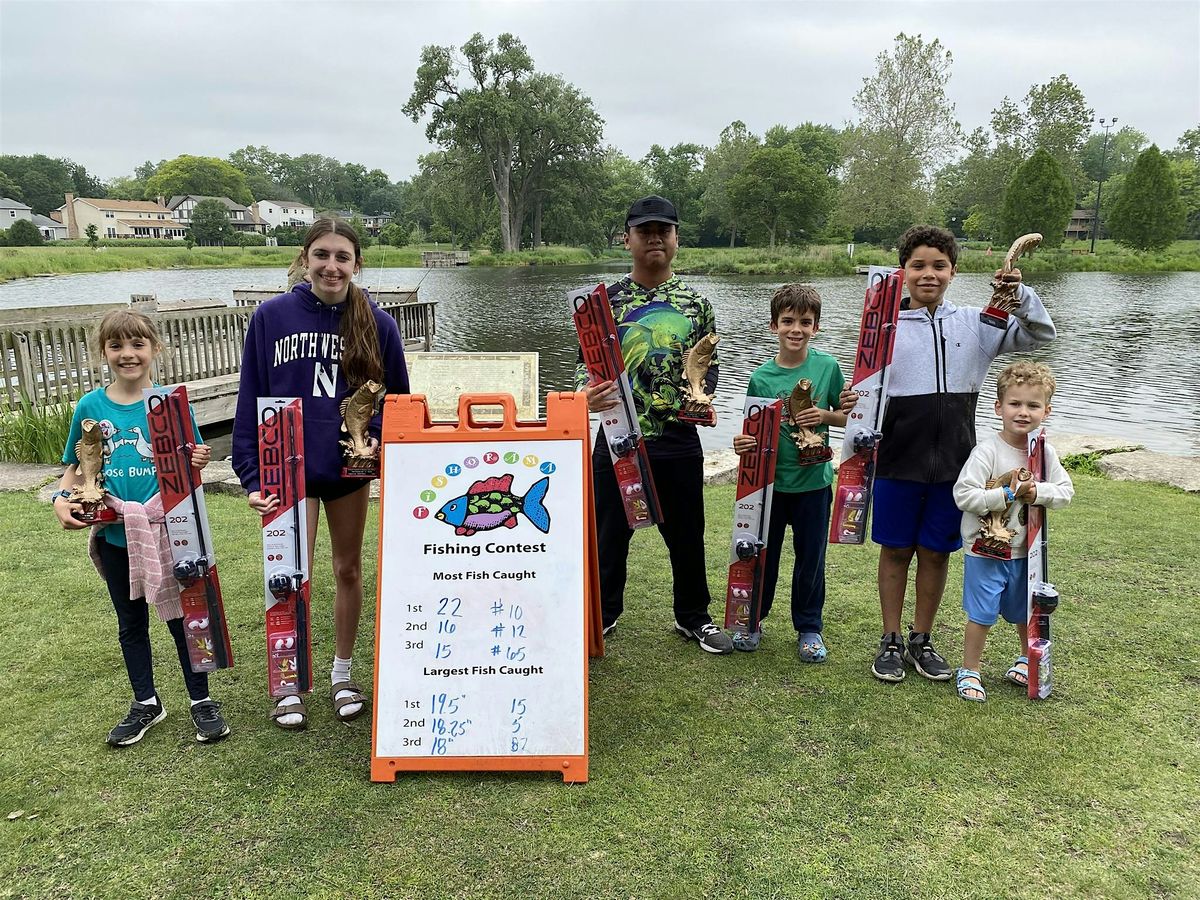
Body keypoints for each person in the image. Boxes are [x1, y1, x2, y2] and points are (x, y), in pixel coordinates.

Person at [232, 218, 409, 729]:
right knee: (289, 572)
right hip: (287, 469)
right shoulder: (271, 317)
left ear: (357, 264)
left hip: (347, 469)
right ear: (305, 258)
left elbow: (398, 399)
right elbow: (251, 396)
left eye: (342, 257)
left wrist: (375, 438)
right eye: (322, 255)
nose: (332, 266)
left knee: (347, 569)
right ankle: (287, 681)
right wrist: (251, 476)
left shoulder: (379, 324)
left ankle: (342, 673)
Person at [870, 225, 1056, 683]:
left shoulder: (978, 323)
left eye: (939, 265)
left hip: (955, 466)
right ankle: (891, 639)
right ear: (902, 271)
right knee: (895, 551)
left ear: (953, 271)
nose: (928, 274)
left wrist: (1018, 294)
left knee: (936, 553)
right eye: (918, 265)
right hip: (896, 461)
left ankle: (921, 638)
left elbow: (1040, 334)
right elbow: (862, 387)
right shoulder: (883, 327)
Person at [52, 309, 229, 746]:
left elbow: (190, 463)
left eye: (137, 344)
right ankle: (146, 702)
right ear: (104, 352)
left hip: (169, 532)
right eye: (116, 346)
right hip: (116, 533)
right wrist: (61, 498)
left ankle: (201, 699)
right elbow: (75, 464)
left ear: (155, 349)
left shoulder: (171, 403)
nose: (127, 354)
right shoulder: (90, 406)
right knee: (130, 622)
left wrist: (200, 459)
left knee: (183, 619)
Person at [575, 195, 732, 654]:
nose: (655, 238)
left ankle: (693, 615)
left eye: (664, 230)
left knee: (687, 534)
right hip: (616, 436)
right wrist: (585, 396)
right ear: (627, 239)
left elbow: (708, 366)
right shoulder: (601, 304)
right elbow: (584, 367)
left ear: (677, 238)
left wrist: (703, 399)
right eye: (645, 231)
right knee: (608, 533)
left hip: (677, 438)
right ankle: (603, 612)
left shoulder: (697, 303)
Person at [731, 284, 856, 659]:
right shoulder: (760, 377)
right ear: (774, 326)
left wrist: (825, 415)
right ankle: (753, 620)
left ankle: (809, 628)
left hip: (813, 484)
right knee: (761, 557)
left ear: (816, 327)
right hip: (769, 487)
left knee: (810, 560)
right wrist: (742, 444)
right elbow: (752, 433)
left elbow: (848, 417)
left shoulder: (827, 367)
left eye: (805, 321)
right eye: (788, 321)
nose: (796, 329)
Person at [951, 362, 1074, 701]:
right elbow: (963, 496)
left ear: (1046, 411)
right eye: (1015, 403)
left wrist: (1037, 492)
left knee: (1026, 609)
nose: (1023, 412)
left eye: (1033, 405)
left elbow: (1065, 492)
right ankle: (970, 669)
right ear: (998, 407)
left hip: (1027, 551)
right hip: (984, 549)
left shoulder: (1044, 453)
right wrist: (1006, 494)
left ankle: (1026, 658)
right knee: (982, 613)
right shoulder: (987, 452)